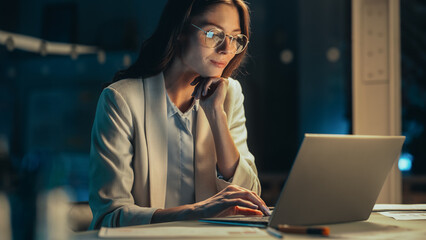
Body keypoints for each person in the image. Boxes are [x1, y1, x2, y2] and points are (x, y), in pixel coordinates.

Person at [89, 0, 269, 230]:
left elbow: (250, 200)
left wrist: (216, 116)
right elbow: (109, 217)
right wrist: (197, 211)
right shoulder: (120, 100)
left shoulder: (229, 93)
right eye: (214, 34)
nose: (227, 48)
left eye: (235, 38)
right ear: (180, 31)